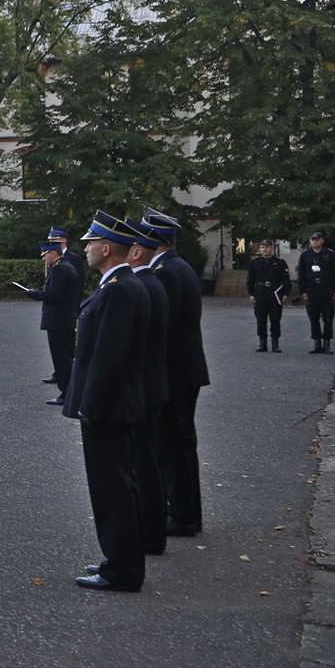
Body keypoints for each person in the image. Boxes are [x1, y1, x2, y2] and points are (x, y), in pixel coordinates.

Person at [65, 212, 151, 593]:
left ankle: (121, 569)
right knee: (120, 486)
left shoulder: (117, 289)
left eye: (89, 243)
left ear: (105, 248)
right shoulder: (120, 284)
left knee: (111, 489)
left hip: (108, 408)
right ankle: (120, 558)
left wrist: (91, 406)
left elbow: (109, 357)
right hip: (116, 405)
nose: (84, 249)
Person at [144, 208, 210, 539]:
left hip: (174, 372)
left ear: (153, 240)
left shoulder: (167, 272)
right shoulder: (178, 266)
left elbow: (163, 329)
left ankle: (182, 514)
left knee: (174, 445)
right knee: (181, 443)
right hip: (185, 369)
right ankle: (188, 513)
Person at [126, 223, 172, 558]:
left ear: (137, 251)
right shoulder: (151, 281)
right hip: (152, 383)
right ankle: (151, 532)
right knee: (150, 462)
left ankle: (148, 534)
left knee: (144, 465)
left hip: (142, 386)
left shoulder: (140, 284)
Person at [23, 242, 81, 407]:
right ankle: (69, 391)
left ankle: (66, 393)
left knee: (62, 360)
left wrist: (34, 294)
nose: (43, 258)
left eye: (45, 255)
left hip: (58, 320)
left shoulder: (59, 269)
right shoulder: (66, 266)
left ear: (53, 254)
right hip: (64, 319)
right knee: (66, 358)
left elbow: (54, 294)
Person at [296, 232, 335, 354]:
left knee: (328, 317)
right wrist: (303, 291)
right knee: (313, 317)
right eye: (313, 239)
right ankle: (317, 343)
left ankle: (327, 343)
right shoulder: (305, 255)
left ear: (322, 241)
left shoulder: (330, 254)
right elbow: (301, 275)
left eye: (317, 239)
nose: (315, 242)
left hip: (326, 289)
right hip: (312, 289)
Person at [246, 239, 290, 352]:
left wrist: (285, 293)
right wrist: (251, 294)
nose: (264, 249)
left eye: (266, 247)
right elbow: (250, 280)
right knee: (261, 319)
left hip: (275, 293)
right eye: (262, 247)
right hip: (260, 293)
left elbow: (285, 279)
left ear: (271, 248)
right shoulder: (255, 263)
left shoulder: (280, 262)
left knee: (275, 319)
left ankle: (275, 344)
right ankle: (262, 344)